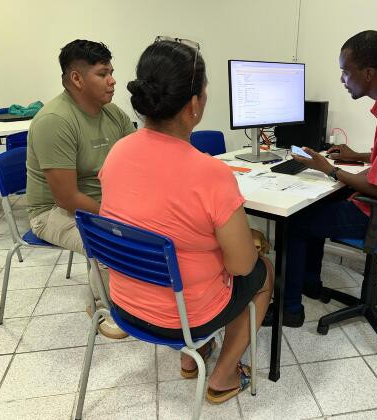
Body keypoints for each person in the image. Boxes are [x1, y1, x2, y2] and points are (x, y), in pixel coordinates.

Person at [98, 39, 274, 404]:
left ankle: (190, 359)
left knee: (184, 253)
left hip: (123, 304)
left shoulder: (118, 152)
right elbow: (242, 265)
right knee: (262, 273)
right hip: (183, 315)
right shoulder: (210, 174)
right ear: (194, 105)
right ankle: (223, 377)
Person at [262, 30, 377, 328]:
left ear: (368, 73)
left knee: (294, 223)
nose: (343, 80)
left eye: (346, 72)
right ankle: (310, 284)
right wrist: (359, 156)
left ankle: (289, 310)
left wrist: (328, 168)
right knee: (315, 210)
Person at [26, 39, 135, 338]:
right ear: (76, 78)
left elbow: (137, 158)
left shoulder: (113, 113)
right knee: (109, 239)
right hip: (53, 212)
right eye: (102, 73)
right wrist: (118, 218)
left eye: (112, 71)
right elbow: (66, 198)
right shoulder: (55, 121)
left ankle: (135, 292)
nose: (113, 80)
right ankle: (101, 305)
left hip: (104, 203)